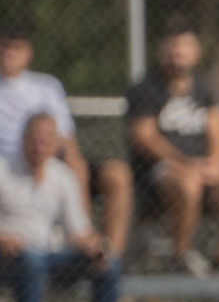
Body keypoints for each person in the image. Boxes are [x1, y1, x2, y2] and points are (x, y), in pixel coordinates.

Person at [126, 21, 219, 276]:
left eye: (185, 45)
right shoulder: (145, 88)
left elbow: (217, 129)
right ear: (161, 50)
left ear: (196, 51)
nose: (178, 52)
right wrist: (185, 162)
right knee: (188, 183)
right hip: (161, 172)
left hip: (201, 170)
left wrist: (215, 161)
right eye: (172, 45)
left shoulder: (203, 88)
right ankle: (180, 258)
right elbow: (145, 138)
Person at [0, 27, 132, 261]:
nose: (8, 53)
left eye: (16, 48)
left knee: (114, 174)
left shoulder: (46, 85)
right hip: (9, 164)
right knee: (73, 168)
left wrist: (64, 155)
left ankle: (109, 258)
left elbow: (65, 136)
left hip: (49, 156)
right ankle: (82, 247)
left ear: (29, 53)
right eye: (4, 47)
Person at [0, 113, 120, 302]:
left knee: (110, 263)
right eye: (35, 139)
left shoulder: (63, 176)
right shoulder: (3, 171)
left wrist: (95, 245)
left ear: (55, 144)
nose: (40, 146)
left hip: (49, 256)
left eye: (46, 140)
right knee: (31, 261)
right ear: (23, 139)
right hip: (9, 259)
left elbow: (77, 230)